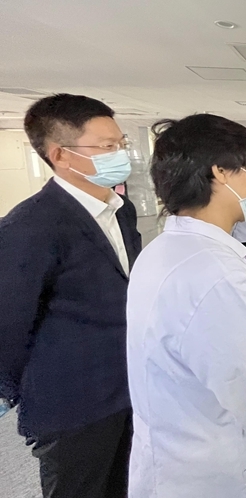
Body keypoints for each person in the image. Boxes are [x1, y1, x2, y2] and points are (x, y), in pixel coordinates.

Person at [126, 114, 246, 497]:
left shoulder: (163, 250)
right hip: (231, 472)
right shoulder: (218, 276)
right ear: (221, 172)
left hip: (179, 458)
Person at [0, 94, 142, 498]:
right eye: (107, 146)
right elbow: (9, 323)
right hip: (71, 404)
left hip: (128, 388)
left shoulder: (122, 210)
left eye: (121, 144)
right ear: (61, 155)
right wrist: (21, 389)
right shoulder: (30, 225)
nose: (120, 154)